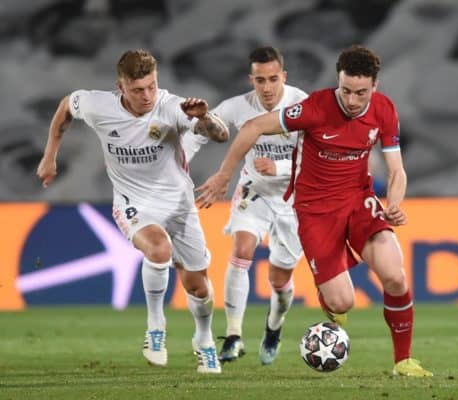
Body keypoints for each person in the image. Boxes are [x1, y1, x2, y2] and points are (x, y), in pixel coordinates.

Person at [196, 45, 433, 377]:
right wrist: (223, 175)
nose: (351, 101)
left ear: (375, 87)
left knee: (394, 275)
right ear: (338, 82)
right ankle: (328, 299)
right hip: (314, 210)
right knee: (342, 303)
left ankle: (403, 361)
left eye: (361, 93)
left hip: (357, 199)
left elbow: (396, 171)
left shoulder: (384, 110)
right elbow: (252, 127)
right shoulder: (314, 108)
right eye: (346, 90)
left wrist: (394, 204)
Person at [36, 49, 229, 373]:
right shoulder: (99, 105)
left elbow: (221, 136)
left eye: (152, 86)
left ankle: (204, 340)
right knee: (158, 249)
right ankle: (156, 327)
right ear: (120, 87)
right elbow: (67, 106)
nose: (147, 95)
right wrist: (49, 156)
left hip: (179, 205)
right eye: (138, 89)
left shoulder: (172, 107)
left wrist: (203, 117)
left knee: (198, 286)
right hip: (133, 203)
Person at [182, 46, 307, 365]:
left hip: (295, 198)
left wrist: (279, 168)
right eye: (260, 80)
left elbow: (318, 159)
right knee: (242, 250)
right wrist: (181, 161)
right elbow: (202, 132)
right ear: (251, 79)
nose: (267, 88)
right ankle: (234, 336)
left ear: (284, 77)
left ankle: (273, 328)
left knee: (280, 282)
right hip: (254, 191)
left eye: (273, 79)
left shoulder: (302, 105)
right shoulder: (238, 106)